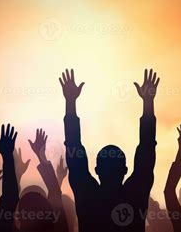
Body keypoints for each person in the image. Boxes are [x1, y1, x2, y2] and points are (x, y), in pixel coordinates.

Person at [60, 69, 159, 232]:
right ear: (125, 170)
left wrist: (70, 102)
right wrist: (148, 102)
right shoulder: (135, 194)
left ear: (97, 170)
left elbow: (74, 147)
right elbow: (146, 151)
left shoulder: (88, 194)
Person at [17, 128, 68, 232]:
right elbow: (55, 192)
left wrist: (16, 174)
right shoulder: (60, 228)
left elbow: (8, 202)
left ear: (18, 217)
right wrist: (41, 156)